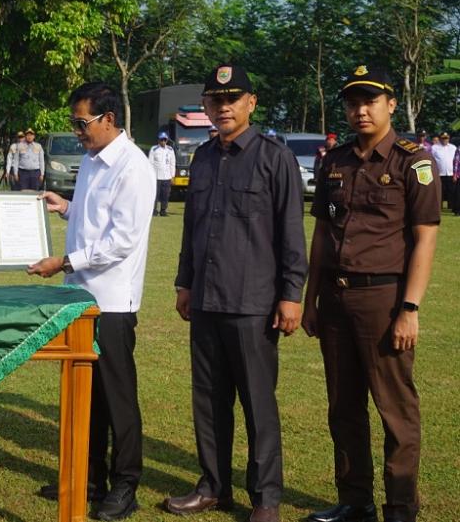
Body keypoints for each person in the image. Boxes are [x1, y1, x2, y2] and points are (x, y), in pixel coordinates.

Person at [166, 64, 306, 522]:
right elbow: (192, 228)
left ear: (251, 103)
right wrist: (185, 282)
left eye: (232, 99)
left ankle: (265, 499)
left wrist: (292, 294)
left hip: (253, 304)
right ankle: (213, 486)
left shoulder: (274, 157)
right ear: (206, 105)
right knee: (208, 400)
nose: (223, 107)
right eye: (215, 99)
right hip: (206, 299)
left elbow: (291, 230)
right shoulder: (203, 157)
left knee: (257, 403)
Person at [302, 66, 440, 522]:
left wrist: (410, 308)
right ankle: (355, 501)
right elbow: (322, 234)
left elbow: (425, 238)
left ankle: (400, 507)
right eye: (353, 103)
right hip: (335, 299)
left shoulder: (412, 162)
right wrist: (310, 299)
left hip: (384, 300)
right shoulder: (334, 161)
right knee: (343, 408)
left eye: (370, 101)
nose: (361, 110)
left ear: (391, 105)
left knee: (395, 410)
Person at [28, 82, 156, 522]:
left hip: (112, 300)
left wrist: (63, 261)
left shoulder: (133, 167)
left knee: (117, 397)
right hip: (79, 296)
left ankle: (125, 485)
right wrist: (65, 207)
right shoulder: (91, 159)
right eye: (74, 123)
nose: (77, 132)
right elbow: (94, 217)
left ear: (109, 119)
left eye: (82, 123)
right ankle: (88, 477)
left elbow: (120, 242)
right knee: (85, 392)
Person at [148, 132, 175, 216]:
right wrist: (150, 175)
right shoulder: (154, 149)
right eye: (161, 140)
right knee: (155, 195)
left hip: (167, 176)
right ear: (158, 140)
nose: (163, 141)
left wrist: (172, 176)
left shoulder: (170, 150)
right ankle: (154, 211)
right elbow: (150, 163)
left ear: (167, 140)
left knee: (165, 195)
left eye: (164, 140)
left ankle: (163, 211)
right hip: (156, 176)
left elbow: (172, 163)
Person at [429, 131, 456, 211]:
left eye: (446, 138)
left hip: (451, 173)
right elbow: (431, 160)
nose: (445, 140)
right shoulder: (434, 148)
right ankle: (438, 207)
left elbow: (456, 161)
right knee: (439, 191)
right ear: (440, 138)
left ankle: (451, 206)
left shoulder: (453, 147)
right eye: (443, 138)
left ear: (449, 138)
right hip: (439, 173)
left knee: (452, 191)